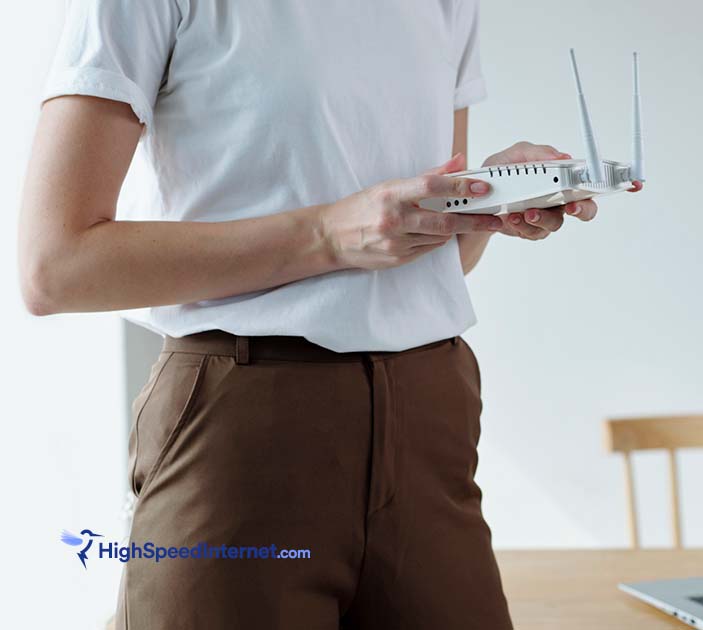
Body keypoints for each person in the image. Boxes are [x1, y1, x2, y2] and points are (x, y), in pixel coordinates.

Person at [18, 2, 638, 628]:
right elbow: (56, 266)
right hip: (241, 432)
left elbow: (420, 248)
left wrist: (488, 202)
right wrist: (327, 235)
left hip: (432, 417)